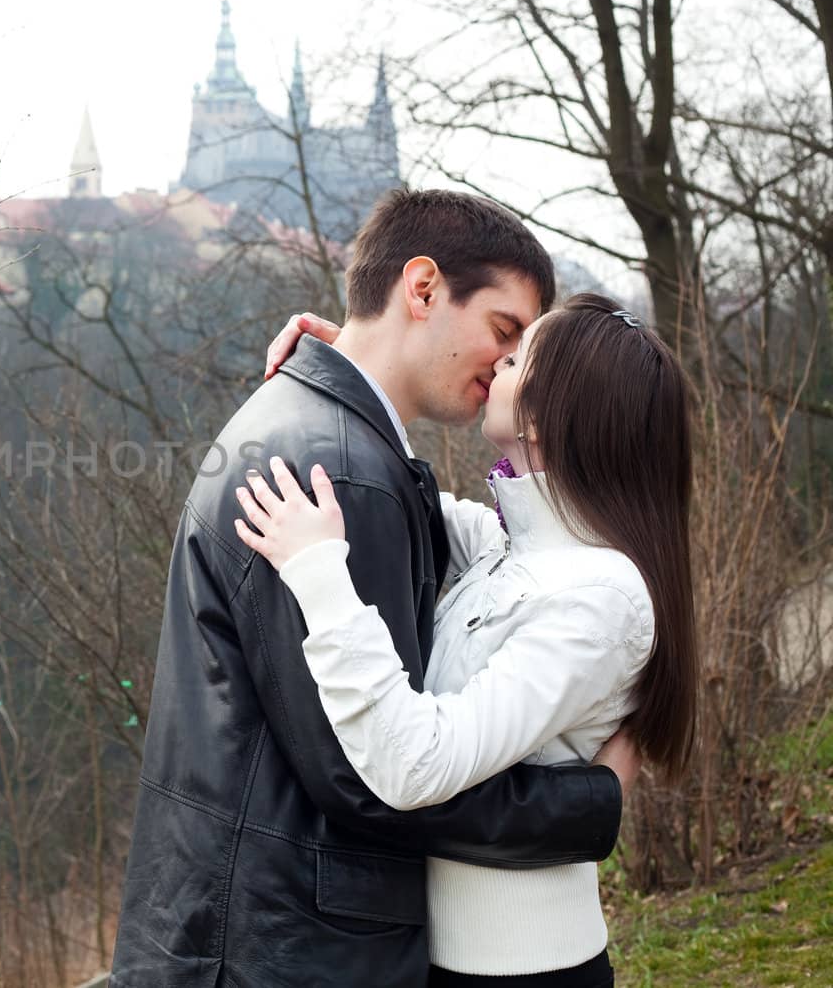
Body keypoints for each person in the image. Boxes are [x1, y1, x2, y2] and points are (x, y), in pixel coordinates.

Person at [110, 190, 632, 988]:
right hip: (287, 951)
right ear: (420, 289)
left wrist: (342, 362)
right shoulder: (342, 471)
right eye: (504, 331)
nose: (508, 364)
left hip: (247, 934)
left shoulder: (317, 430)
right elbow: (370, 775)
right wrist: (588, 804)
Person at [236, 293, 695, 986]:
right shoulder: (509, 546)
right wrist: (363, 375)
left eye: (514, 358)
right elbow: (400, 493)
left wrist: (319, 574)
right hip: (438, 960)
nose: (494, 365)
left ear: (547, 415)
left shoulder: (598, 597)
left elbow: (416, 763)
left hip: (522, 973)